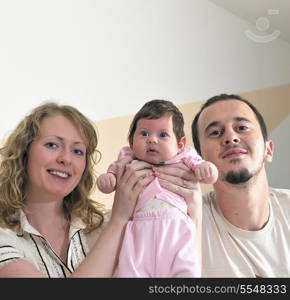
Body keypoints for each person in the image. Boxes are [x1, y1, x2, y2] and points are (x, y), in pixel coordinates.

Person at [0, 102, 158, 277]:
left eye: (77, 151)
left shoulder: (103, 226)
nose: (66, 159)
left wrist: (188, 200)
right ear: (24, 153)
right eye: (52, 145)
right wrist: (119, 219)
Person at [97, 100, 218, 277]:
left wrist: (207, 169)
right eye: (144, 133)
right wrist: (107, 179)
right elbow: (111, 179)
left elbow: (209, 175)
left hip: (176, 229)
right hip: (138, 232)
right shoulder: (127, 159)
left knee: (186, 271)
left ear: (180, 144)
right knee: (129, 272)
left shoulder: (185, 157)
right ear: (131, 142)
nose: (152, 140)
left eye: (163, 135)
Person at [191, 93, 290, 277]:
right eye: (215, 132)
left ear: (268, 150)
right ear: (199, 161)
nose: (230, 137)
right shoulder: (184, 225)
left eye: (242, 127)